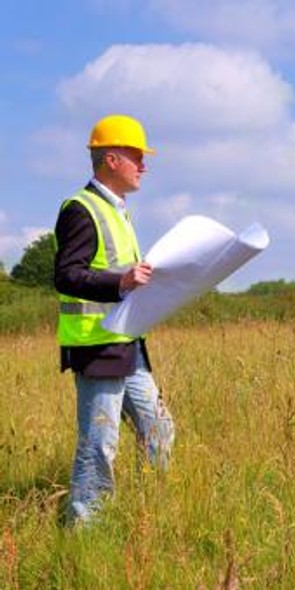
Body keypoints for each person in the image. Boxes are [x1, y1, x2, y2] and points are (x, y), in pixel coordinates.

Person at [54, 114, 174, 525]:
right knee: (98, 444)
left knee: (159, 429)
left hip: (128, 344)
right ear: (111, 159)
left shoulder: (118, 210)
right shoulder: (81, 209)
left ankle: (148, 514)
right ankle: (83, 531)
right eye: (137, 156)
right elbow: (66, 275)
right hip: (97, 345)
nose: (144, 165)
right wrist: (119, 281)